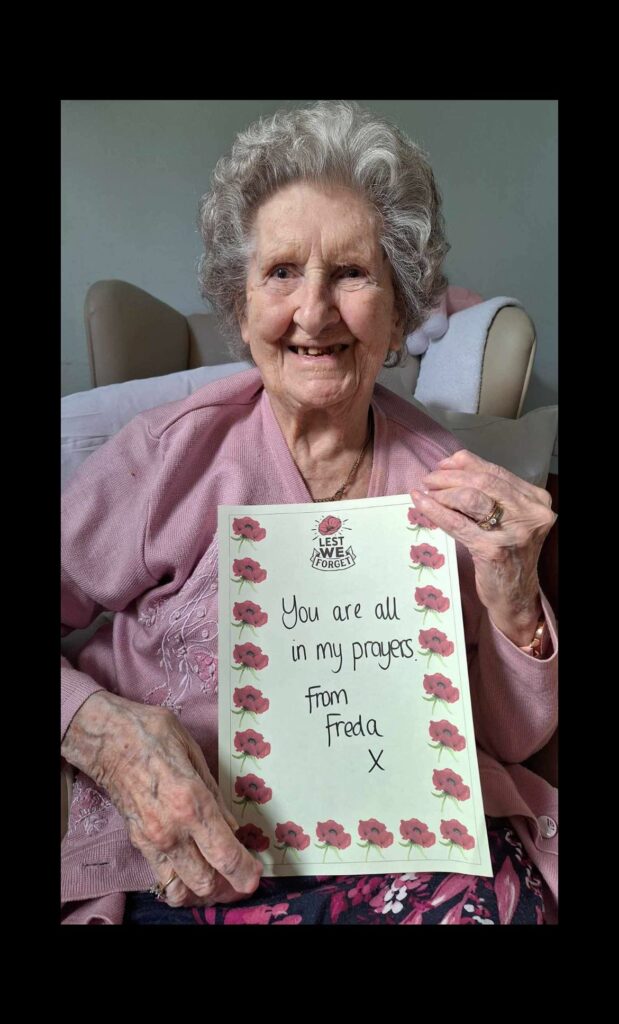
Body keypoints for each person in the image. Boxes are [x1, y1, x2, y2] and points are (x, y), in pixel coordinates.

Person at [61, 101, 557, 925]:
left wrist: (514, 599)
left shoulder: (449, 482)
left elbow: (508, 741)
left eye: (352, 273)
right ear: (240, 303)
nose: (314, 313)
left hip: (407, 855)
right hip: (184, 856)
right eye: (282, 271)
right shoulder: (168, 458)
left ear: (398, 311)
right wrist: (100, 730)